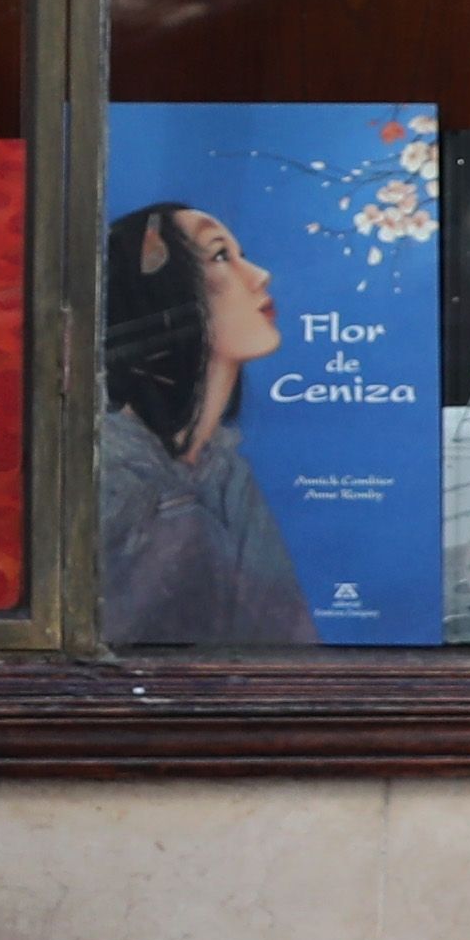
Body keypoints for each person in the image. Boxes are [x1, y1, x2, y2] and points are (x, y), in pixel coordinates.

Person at [101, 199, 312, 643]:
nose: (260, 275)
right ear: (161, 294)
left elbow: (286, 641)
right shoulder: (114, 479)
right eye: (220, 256)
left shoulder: (224, 471)